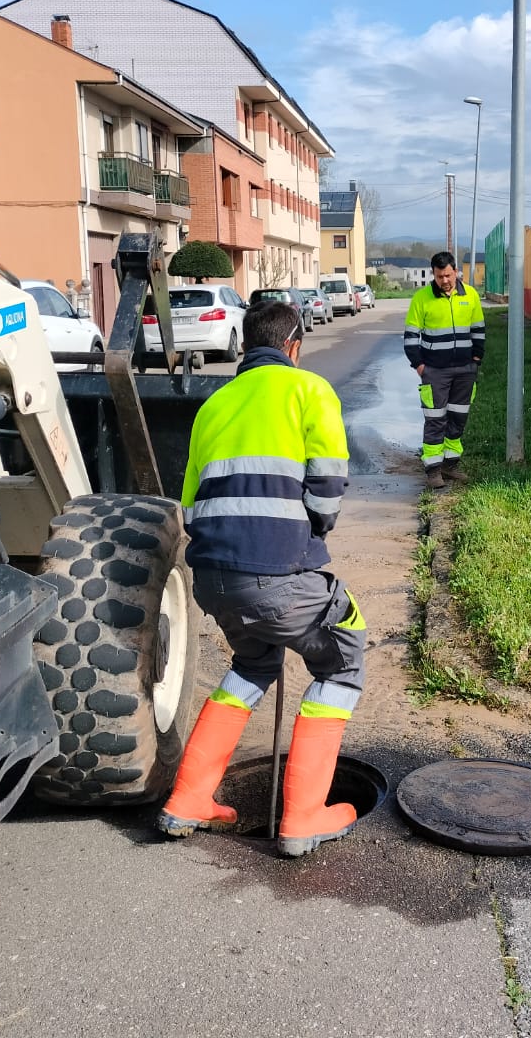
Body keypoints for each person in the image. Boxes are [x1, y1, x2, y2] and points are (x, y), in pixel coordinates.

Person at [157, 301, 367, 858]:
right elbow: (327, 485)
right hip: (276, 578)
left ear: (246, 345)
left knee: (253, 664)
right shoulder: (309, 391)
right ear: (294, 345)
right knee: (344, 652)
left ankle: (189, 800)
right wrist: (309, 536)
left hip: (213, 581)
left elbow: (190, 504)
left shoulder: (214, 404)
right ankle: (303, 817)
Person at [404, 251, 486, 489]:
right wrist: (420, 366)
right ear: (434, 274)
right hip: (434, 371)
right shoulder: (421, 298)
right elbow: (410, 337)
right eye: (440, 276)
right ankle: (433, 470)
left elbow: (478, 330)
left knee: (458, 418)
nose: (445, 281)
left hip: (465, 370)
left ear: (456, 272)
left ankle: (450, 466)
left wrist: (476, 359)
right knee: (435, 420)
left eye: (448, 275)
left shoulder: (470, 295)